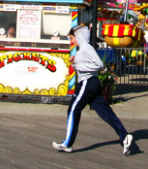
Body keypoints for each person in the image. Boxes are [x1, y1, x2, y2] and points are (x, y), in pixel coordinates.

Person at [53, 24, 133, 156]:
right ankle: (125, 136)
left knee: (73, 110)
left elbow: (99, 65)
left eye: (72, 38)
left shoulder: (85, 48)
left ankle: (67, 144)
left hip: (87, 82)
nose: (71, 41)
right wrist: (76, 62)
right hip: (91, 83)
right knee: (104, 111)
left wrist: (77, 64)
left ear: (78, 37)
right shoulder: (82, 49)